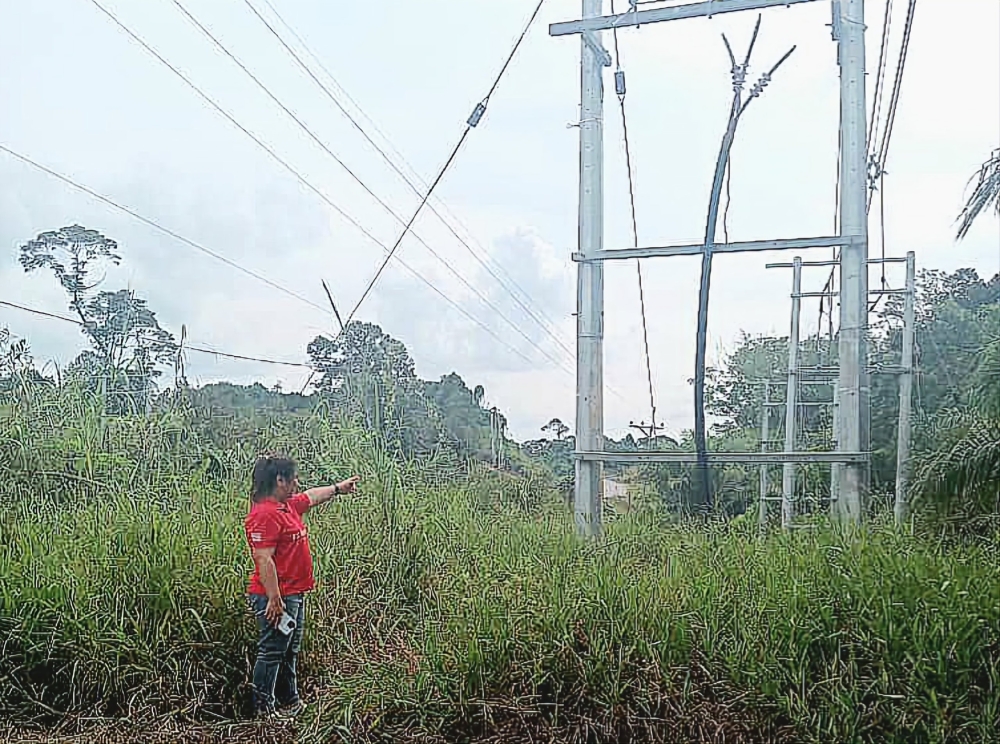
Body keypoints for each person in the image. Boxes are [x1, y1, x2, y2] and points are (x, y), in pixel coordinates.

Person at [244, 454, 359, 719]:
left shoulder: (286, 506)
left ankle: (290, 702)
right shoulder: (265, 514)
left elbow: (311, 496)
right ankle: (264, 710)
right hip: (276, 597)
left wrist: (337, 489)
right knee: (272, 651)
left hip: (294, 594)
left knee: (289, 649)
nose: (297, 481)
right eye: (292, 477)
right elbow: (263, 558)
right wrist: (274, 598)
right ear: (279, 480)